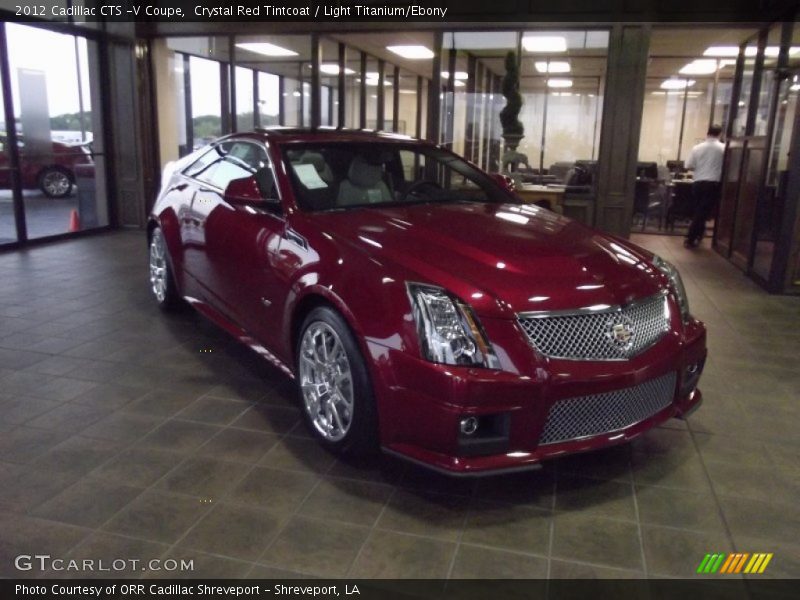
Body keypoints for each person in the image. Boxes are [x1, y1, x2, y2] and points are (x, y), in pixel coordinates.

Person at [683, 125, 725, 248]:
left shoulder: (697, 148)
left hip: (698, 183)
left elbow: (688, 165)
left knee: (699, 210)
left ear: (708, 133)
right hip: (713, 183)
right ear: (720, 134)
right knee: (702, 212)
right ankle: (690, 238)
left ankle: (698, 235)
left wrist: (701, 167)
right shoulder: (724, 148)